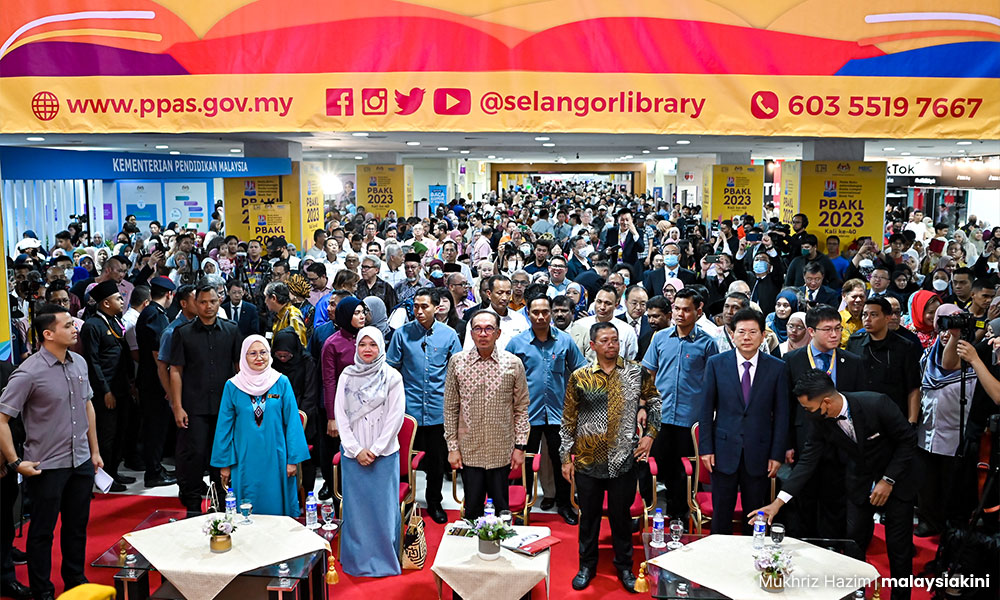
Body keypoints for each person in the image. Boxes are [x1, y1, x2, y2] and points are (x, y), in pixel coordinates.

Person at [750, 370, 916, 600]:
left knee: (899, 548)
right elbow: (807, 462)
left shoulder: (877, 403)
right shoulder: (820, 421)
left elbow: (908, 440)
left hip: (897, 482)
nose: (806, 413)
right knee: (853, 543)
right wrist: (778, 503)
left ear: (826, 402)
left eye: (808, 408)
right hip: (859, 483)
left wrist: (888, 479)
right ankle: (855, 592)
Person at [0, 305, 102, 600]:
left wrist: (94, 451)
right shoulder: (29, 372)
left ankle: (76, 582)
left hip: (80, 460)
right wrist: (15, 462)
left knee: (76, 527)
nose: (74, 329)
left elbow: (88, 405)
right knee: (42, 532)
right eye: (67, 325)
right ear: (48, 334)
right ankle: (42, 590)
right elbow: (2, 418)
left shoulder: (79, 362)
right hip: (46, 466)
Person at [562, 322, 660, 592]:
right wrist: (565, 457)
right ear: (593, 345)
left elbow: (654, 402)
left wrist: (650, 435)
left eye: (615, 340)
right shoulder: (580, 376)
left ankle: (625, 566)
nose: (611, 345)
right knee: (589, 517)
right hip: (587, 459)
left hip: (623, 459)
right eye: (604, 341)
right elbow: (568, 419)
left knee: (621, 517)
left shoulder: (635, 372)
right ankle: (587, 565)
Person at [698, 308, 789, 533]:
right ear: (732, 335)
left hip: (759, 452)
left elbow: (782, 415)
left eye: (752, 332)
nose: (746, 337)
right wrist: (706, 449)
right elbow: (706, 409)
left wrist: (777, 454)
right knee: (721, 514)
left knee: (755, 515)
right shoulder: (716, 364)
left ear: (763, 335)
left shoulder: (777, 367)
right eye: (741, 332)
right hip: (723, 450)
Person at [781, 305, 864, 539]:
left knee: (835, 499)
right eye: (827, 329)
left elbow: (858, 404)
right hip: (804, 439)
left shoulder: (852, 361)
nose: (835, 334)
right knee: (803, 497)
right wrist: (787, 443)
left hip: (841, 443)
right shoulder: (792, 360)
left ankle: (831, 545)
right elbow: (785, 406)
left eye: (838, 328)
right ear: (811, 331)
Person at [506, 293, 588, 525]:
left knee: (561, 461)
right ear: (528, 313)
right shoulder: (517, 343)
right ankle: (521, 506)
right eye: (536, 312)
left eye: (545, 312)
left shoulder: (565, 341)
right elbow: (506, 377)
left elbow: (581, 370)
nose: (541, 317)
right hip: (526, 415)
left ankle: (565, 504)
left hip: (558, 414)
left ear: (551, 313)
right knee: (523, 463)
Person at [386, 288, 462, 524]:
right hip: (408, 411)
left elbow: (457, 371)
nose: (419, 311)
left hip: (438, 409)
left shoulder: (449, 335)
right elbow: (391, 370)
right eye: (416, 306)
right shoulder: (402, 334)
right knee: (404, 460)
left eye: (424, 306)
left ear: (436, 307)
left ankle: (435, 502)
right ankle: (405, 501)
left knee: (436, 462)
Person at [444, 311, 530, 520]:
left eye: (489, 329)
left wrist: (520, 447)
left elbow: (521, 408)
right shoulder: (457, 362)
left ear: (498, 333)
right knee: (472, 510)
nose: (483, 334)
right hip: (469, 450)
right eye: (478, 329)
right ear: (471, 333)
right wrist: (452, 447)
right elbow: (450, 408)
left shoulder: (513, 363)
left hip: (501, 451)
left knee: (502, 512)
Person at [211, 335, 309, 516]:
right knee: (247, 510)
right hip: (244, 459)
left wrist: (292, 460)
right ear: (243, 356)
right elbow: (224, 428)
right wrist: (224, 464)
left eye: (263, 352)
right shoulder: (232, 386)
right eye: (253, 353)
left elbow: (293, 424)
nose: (259, 358)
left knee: (276, 509)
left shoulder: (281, 382)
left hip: (277, 458)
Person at [335, 326, 405, 577]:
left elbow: (396, 417)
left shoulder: (392, 376)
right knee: (356, 511)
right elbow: (340, 414)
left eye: (373, 344)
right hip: (353, 456)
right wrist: (355, 449)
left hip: (384, 455)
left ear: (381, 347)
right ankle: (357, 560)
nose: (367, 349)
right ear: (356, 347)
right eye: (363, 344)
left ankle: (385, 561)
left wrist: (375, 450)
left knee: (384, 511)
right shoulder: (347, 375)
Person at [642, 288, 718, 515]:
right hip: (660, 416)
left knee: (682, 471)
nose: (680, 314)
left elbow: (712, 383)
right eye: (677, 309)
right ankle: (644, 511)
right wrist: (642, 406)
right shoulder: (659, 338)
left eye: (686, 310)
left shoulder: (708, 343)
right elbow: (648, 375)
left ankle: (679, 516)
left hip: (690, 418)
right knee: (647, 465)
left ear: (698, 312)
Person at [168, 283, 243, 512]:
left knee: (222, 457)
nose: (208, 306)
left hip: (225, 407)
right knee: (194, 456)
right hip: (194, 406)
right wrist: (177, 406)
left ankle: (222, 505)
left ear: (219, 301)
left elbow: (239, 368)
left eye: (212, 301)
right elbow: (176, 370)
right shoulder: (183, 333)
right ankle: (192, 506)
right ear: (195, 303)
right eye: (202, 302)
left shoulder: (231, 330)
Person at [79, 281, 133, 490]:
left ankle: (114, 472)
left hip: (121, 387)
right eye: (118, 298)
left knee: (121, 431)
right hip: (105, 390)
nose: (122, 301)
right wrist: (106, 391)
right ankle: (104, 477)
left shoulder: (115, 321)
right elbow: (92, 362)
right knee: (106, 434)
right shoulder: (93, 325)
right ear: (106, 303)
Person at [846, 298, 922, 423]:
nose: (867, 319)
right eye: (864, 314)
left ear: (887, 317)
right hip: (861, 416)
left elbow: (913, 388)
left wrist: (912, 421)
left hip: (894, 417)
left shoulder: (905, 347)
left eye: (873, 315)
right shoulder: (855, 343)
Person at [134, 277, 178, 488]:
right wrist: (167, 383)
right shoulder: (155, 315)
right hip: (154, 381)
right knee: (155, 428)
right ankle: (153, 472)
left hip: (150, 379)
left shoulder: (151, 312)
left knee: (157, 427)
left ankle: (156, 467)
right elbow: (158, 353)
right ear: (169, 294)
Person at [271, 328, 321, 495]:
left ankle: (306, 494)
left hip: (304, 419)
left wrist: (297, 420)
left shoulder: (307, 362)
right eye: (279, 356)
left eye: (286, 356)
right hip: (277, 420)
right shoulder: (272, 364)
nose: (282, 359)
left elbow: (310, 394)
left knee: (305, 460)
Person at [570, 285, 638, 363]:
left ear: (616, 305)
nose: (602, 307)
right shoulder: (580, 325)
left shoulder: (627, 330)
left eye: (608, 303)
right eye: (599, 302)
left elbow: (630, 359)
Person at [265, 281, 307, 347]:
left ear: (273, 298)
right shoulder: (279, 315)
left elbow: (299, 345)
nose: (265, 301)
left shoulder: (293, 315)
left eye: (266, 297)